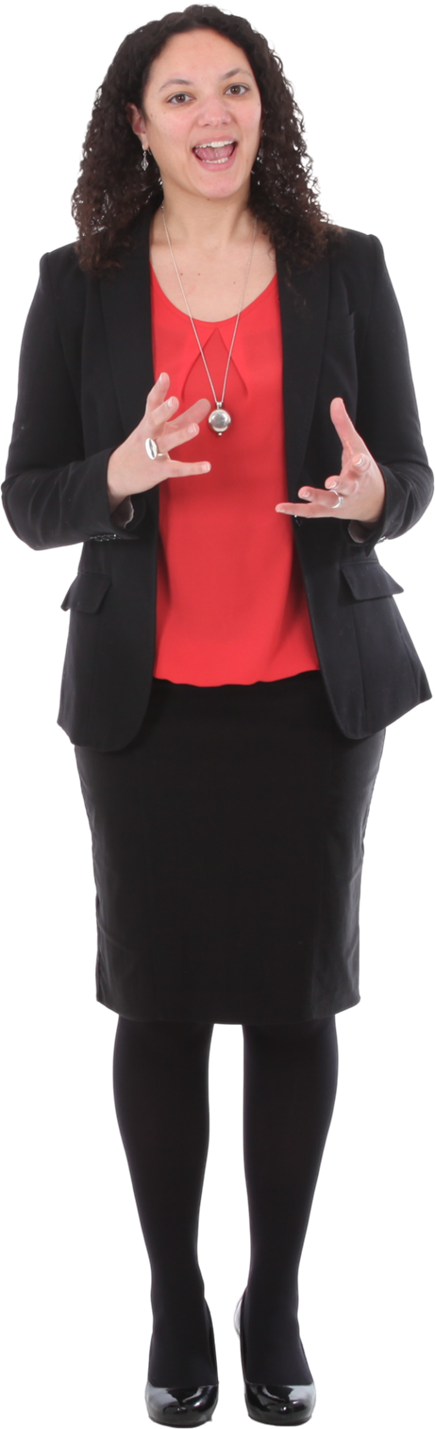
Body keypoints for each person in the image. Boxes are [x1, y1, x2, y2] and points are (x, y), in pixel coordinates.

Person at [2, 8, 433, 1426]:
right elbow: (29, 501)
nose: (212, 115)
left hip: (315, 698)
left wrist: (375, 499)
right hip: (147, 710)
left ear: (268, 111)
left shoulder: (345, 267)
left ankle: (279, 1301)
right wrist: (119, 471)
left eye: (234, 88)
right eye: (179, 94)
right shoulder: (79, 284)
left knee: (297, 1000)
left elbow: (409, 472)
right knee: (162, 1001)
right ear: (136, 126)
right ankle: (178, 1310)